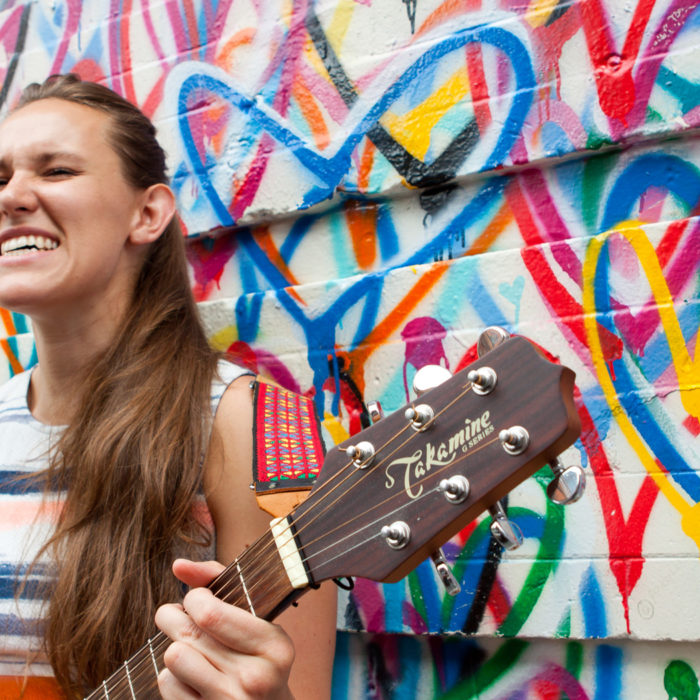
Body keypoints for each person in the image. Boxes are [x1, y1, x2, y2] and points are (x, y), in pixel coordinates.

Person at [0, 74, 336, 699]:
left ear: (147, 212)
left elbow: (299, 688)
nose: (13, 195)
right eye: (0, 179)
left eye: (55, 172)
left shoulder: (248, 422)